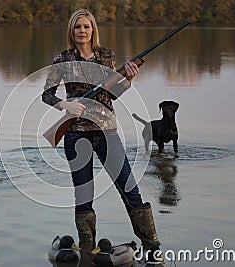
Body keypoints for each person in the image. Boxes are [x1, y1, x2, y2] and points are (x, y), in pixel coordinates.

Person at [42, 9, 164, 266]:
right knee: (83, 196)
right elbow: (47, 95)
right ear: (71, 31)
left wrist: (128, 79)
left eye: (86, 26)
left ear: (93, 29)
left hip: (107, 132)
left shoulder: (105, 56)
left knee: (130, 188)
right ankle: (87, 253)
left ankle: (153, 248)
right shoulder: (62, 59)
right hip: (76, 136)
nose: (82, 31)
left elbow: (112, 95)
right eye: (78, 27)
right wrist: (67, 106)